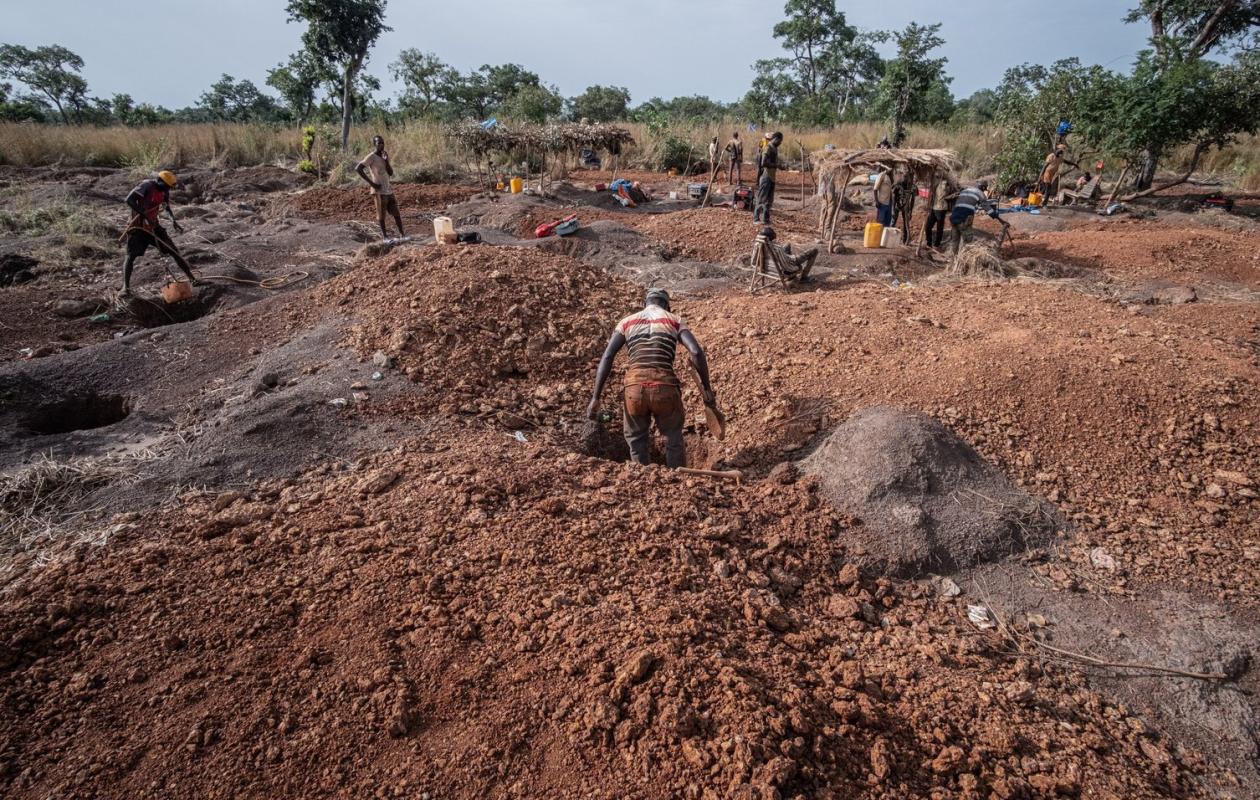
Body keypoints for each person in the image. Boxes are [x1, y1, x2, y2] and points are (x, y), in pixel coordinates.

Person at [586, 288, 715, 469]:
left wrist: (595, 398)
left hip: (634, 390)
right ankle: (680, 483)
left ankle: (643, 480)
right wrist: (707, 389)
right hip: (665, 388)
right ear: (667, 306)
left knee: (636, 439)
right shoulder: (674, 320)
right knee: (673, 438)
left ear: (644, 304)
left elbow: (607, 356)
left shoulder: (627, 322)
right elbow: (695, 351)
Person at [120, 170, 198, 296]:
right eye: (166, 186)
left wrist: (173, 220)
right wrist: (144, 215)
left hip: (154, 226)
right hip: (138, 227)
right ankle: (125, 288)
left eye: (169, 188)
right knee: (130, 256)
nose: (167, 189)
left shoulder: (164, 190)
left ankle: (192, 279)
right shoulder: (146, 185)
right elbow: (129, 200)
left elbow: (166, 207)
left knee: (174, 251)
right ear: (159, 181)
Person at [356, 135, 404, 240]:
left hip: (388, 190)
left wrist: (386, 161)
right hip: (378, 191)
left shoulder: (384, 155)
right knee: (381, 216)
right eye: (379, 143)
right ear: (375, 145)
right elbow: (358, 168)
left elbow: (390, 173)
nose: (381, 145)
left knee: (396, 213)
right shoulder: (371, 157)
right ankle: (385, 237)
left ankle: (402, 235)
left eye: (383, 143)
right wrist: (372, 183)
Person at [949, 180, 1007, 255]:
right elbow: (989, 210)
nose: (984, 190)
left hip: (954, 217)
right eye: (984, 188)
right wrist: (1001, 220)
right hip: (964, 218)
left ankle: (953, 261)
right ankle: (965, 261)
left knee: (955, 241)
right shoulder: (980, 193)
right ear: (983, 187)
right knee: (968, 242)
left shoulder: (965, 190)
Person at [753, 131, 783, 224]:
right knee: (761, 198)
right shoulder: (768, 147)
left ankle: (766, 219)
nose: (780, 143)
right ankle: (756, 219)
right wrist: (776, 165)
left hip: (772, 176)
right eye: (780, 141)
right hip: (766, 176)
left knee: (769, 200)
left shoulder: (774, 148)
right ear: (776, 139)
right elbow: (763, 163)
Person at [925, 175, 953, 249]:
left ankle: (937, 244)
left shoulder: (945, 183)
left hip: (941, 208)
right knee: (928, 226)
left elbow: (947, 193)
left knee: (939, 227)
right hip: (934, 208)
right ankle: (929, 243)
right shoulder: (935, 183)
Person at [891, 170, 916, 244]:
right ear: (902, 176)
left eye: (907, 176)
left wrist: (910, 211)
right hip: (897, 206)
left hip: (906, 207)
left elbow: (913, 200)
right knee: (892, 222)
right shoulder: (898, 185)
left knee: (906, 224)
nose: (906, 178)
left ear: (910, 177)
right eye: (904, 176)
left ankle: (905, 240)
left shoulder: (912, 186)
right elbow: (894, 198)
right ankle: (890, 239)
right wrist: (893, 209)